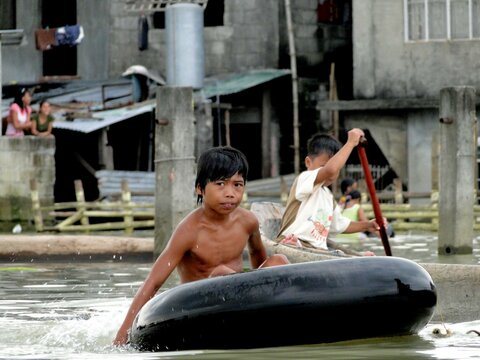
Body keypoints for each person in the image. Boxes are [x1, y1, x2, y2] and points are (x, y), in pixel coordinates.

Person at [113, 146, 289, 346]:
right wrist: (123, 333)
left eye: (237, 185)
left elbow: (259, 256)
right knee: (222, 271)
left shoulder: (248, 221)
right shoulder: (189, 231)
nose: (230, 193)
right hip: (198, 308)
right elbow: (153, 282)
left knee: (279, 261)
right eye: (220, 184)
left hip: (238, 299)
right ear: (200, 188)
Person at [275, 129, 381, 256]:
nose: (332, 174)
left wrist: (367, 225)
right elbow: (330, 170)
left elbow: (340, 225)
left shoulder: (328, 197)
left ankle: (356, 256)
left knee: (348, 254)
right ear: (308, 162)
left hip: (317, 251)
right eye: (323, 166)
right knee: (298, 245)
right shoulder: (304, 179)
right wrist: (351, 143)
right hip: (293, 243)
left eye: (337, 169)